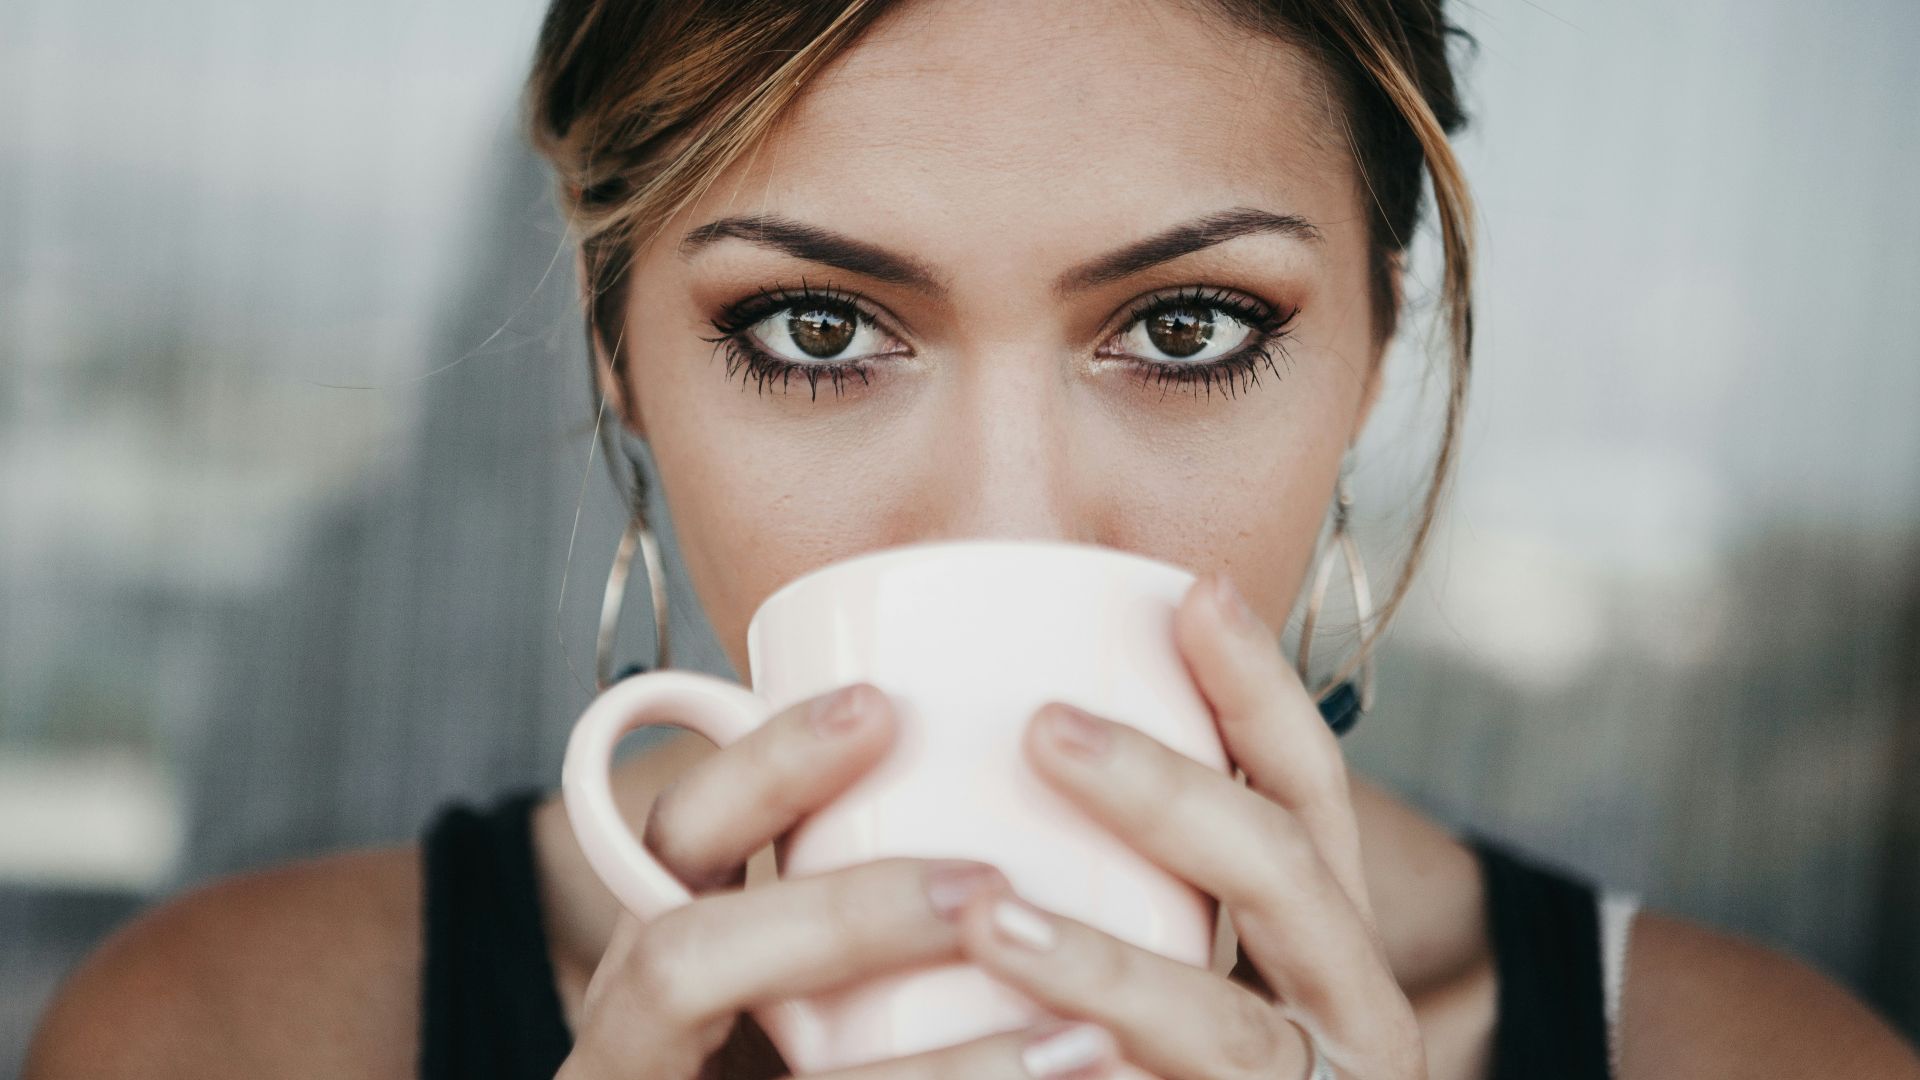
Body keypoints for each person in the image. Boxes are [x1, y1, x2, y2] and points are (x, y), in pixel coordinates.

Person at [24, 1, 1920, 1078]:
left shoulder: (1759, 1065)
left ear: (1375, 345)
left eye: (1187, 330)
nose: (1009, 516)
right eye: (818, 331)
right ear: (618, 361)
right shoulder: (227, 1036)